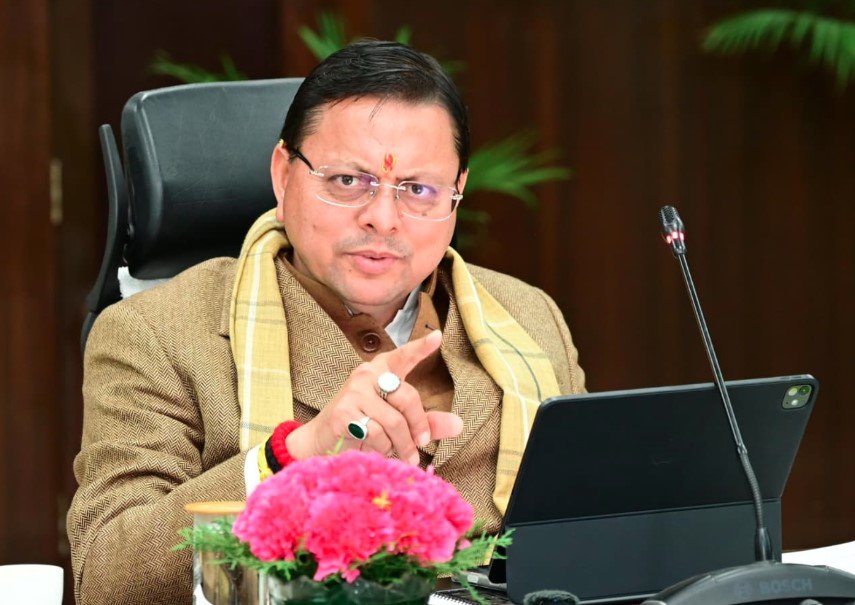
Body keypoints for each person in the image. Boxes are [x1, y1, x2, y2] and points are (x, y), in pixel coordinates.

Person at [68, 40, 585, 604]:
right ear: (283, 175)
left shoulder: (529, 319)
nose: (383, 219)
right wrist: (295, 457)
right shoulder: (158, 333)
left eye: (417, 190)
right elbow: (108, 578)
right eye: (347, 181)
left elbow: (601, 532)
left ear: (456, 193)